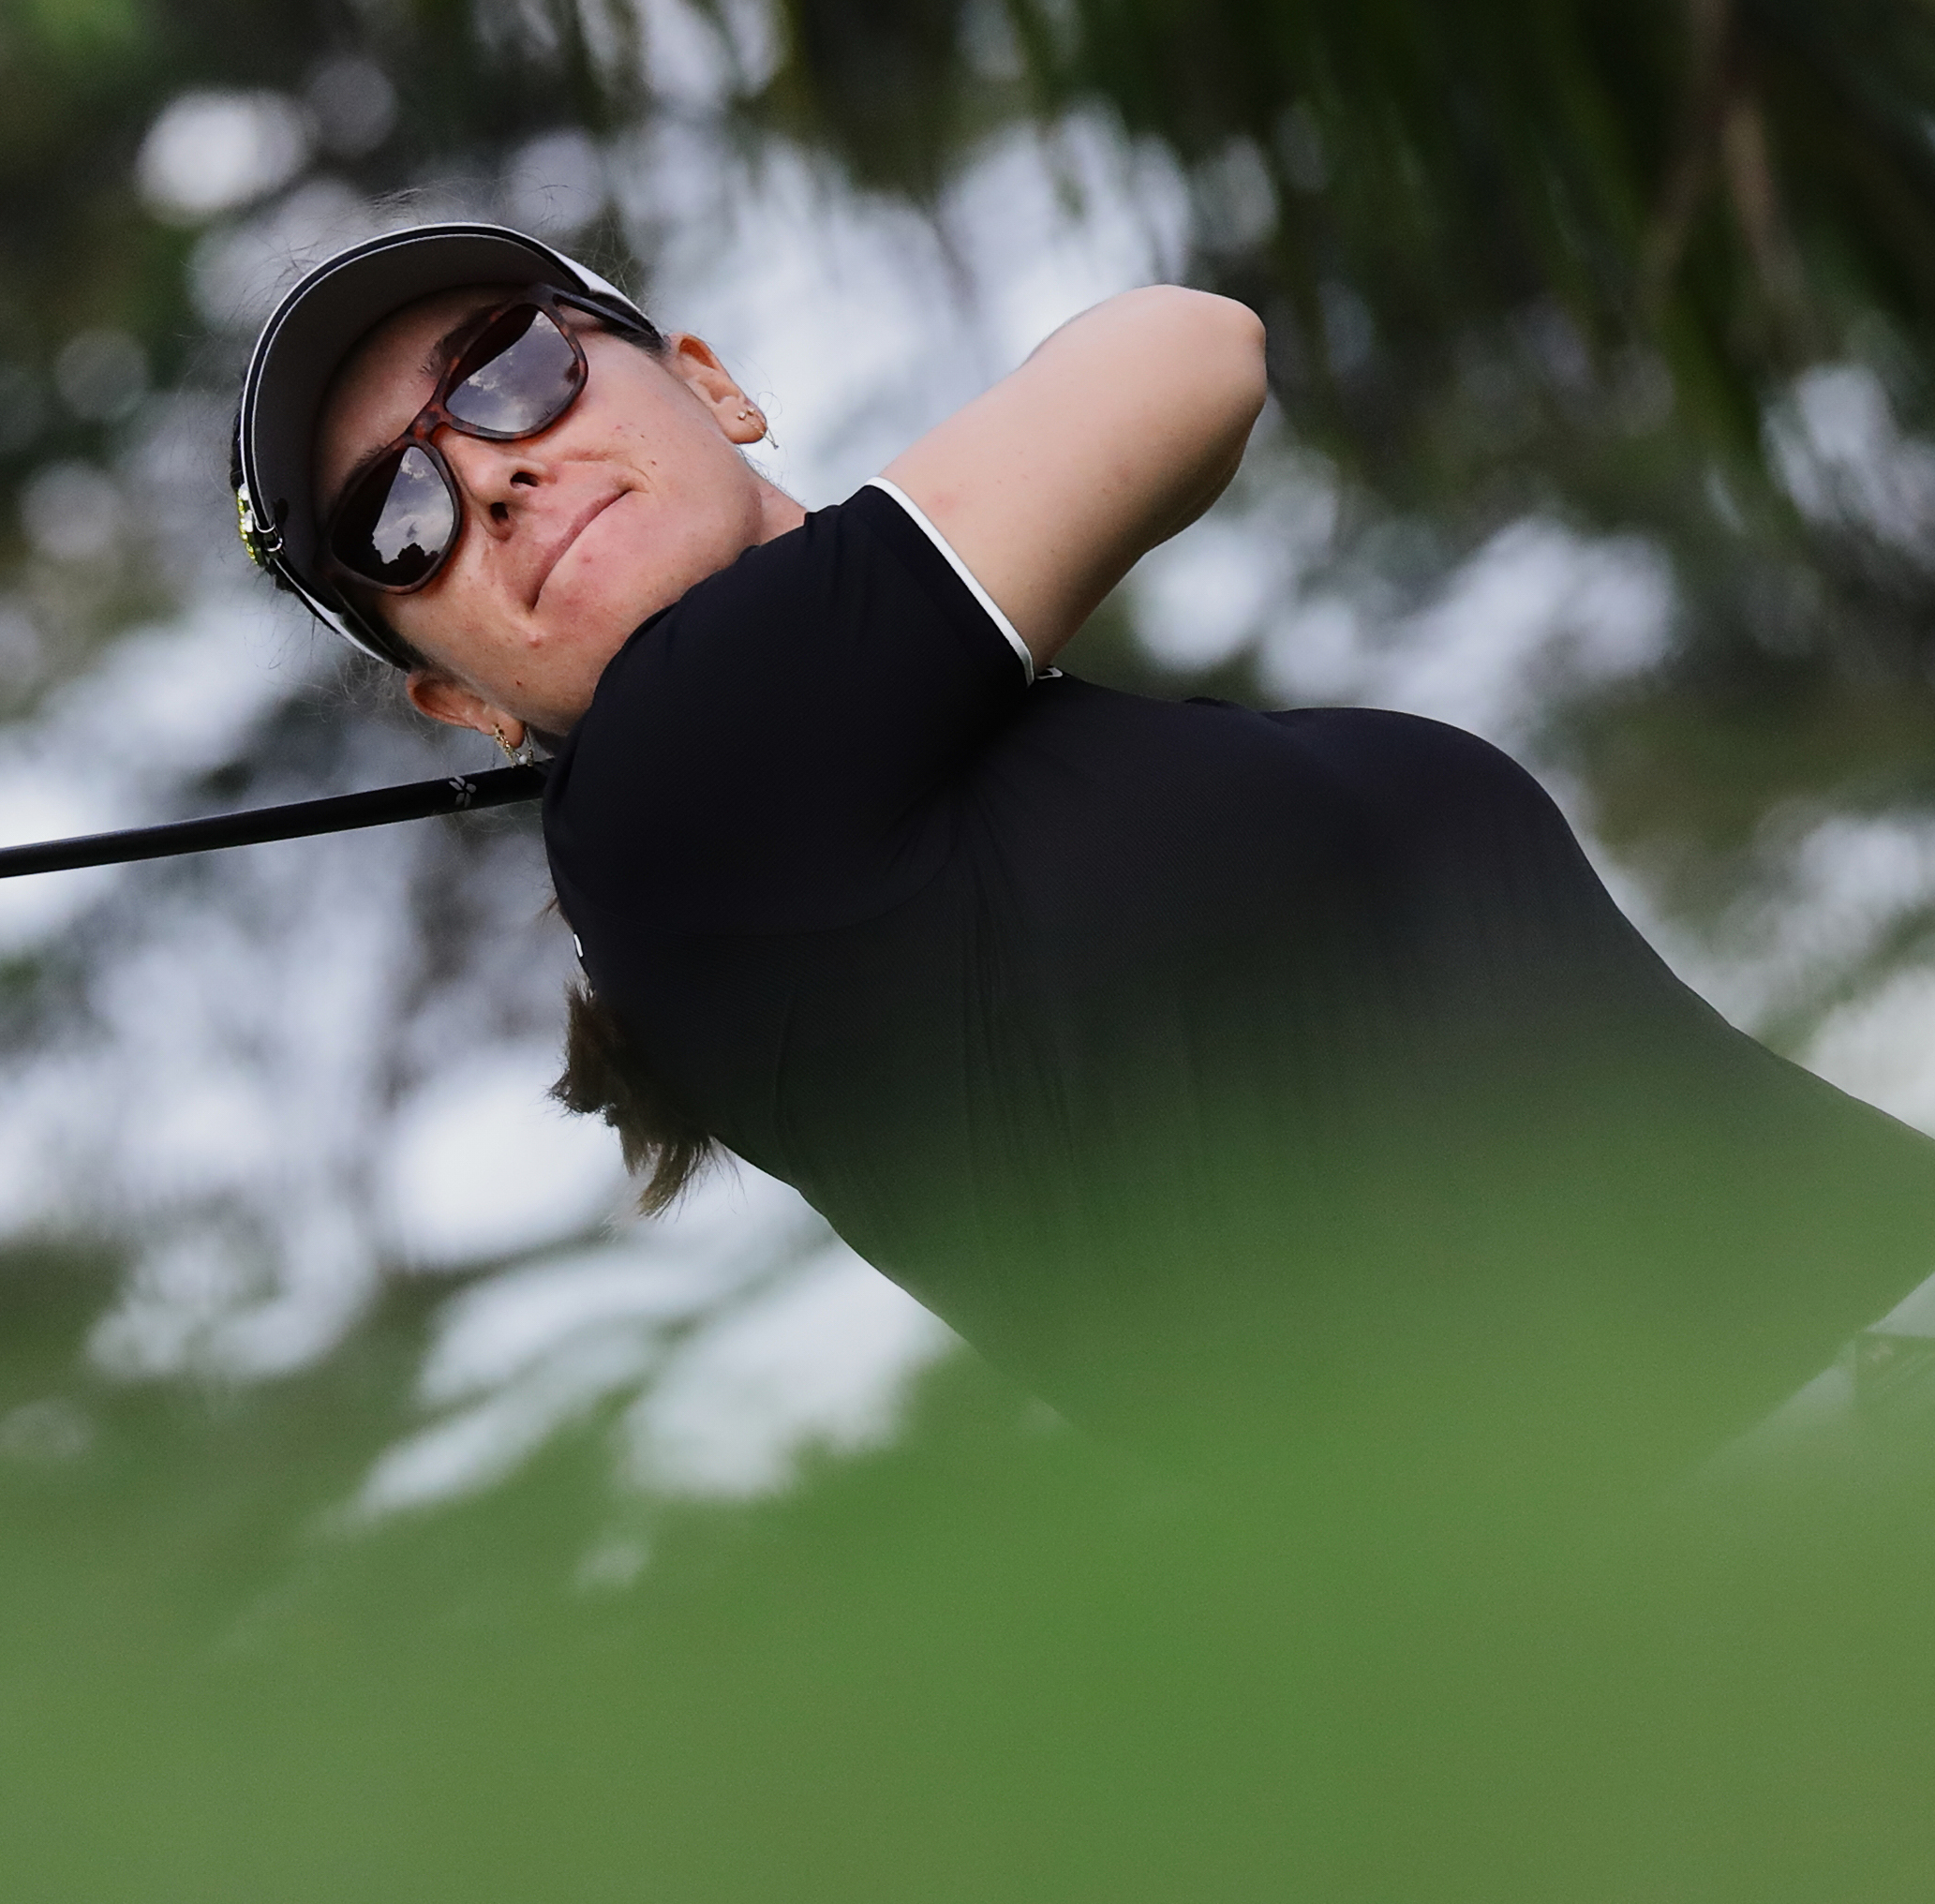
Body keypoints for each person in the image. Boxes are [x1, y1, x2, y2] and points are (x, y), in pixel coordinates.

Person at [231, 223, 1935, 1516]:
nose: (496, 473)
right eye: (400, 521)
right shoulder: (681, 783)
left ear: (711, 379)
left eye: (513, 370)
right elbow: (1182, 353)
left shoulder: (873, 803)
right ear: (454, 696)